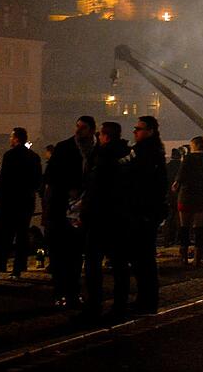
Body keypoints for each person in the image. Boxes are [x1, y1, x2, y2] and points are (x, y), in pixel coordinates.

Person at [117, 116, 168, 315]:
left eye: (139, 128)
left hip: (142, 211)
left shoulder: (145, 153)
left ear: (150, 131)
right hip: (147, 211)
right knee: (143, 258)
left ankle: (146, 301)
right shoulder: (153, 151)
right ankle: (146, 299)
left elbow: (139, 180)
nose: (135, 131)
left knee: (142, 259)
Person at [79, 121, 129, 323]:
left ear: (105, 136)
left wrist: (84, 212)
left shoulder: (103, 158)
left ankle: (94, 305)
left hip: (100, 216)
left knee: (92, 263)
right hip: (120, 216)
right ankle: (120, 305)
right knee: (119, 264)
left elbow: (95, 188)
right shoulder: (127, 155)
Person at [43, 116, 95, 306]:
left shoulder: (96, 150)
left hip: (83, 208)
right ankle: (61, 292)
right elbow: (51, 176)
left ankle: (72, 291)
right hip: (63, 207)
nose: (78, 130)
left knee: (75, 253)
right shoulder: (64, 147)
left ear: (91, 130)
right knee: (61, 253)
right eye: (77, 126)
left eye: (83, 128)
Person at [0, 128, 42, 280]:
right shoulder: (34, 157)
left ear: (16, 138)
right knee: (22, 235)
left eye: (11, 137)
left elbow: (5, 179)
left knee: (2, 236)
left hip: (9, 201)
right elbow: (37, 180)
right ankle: (18, 268)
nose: (10, 139)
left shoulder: (10, 155)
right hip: (26, 201)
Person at [173, 136, 203, 267]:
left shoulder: (189, 158)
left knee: (184, 227)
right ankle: (197, 258)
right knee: (199, 228)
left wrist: (176, 185)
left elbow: (181, 176)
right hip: (201, 197)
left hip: (186, 195)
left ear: (194, 145)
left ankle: (184, 256)